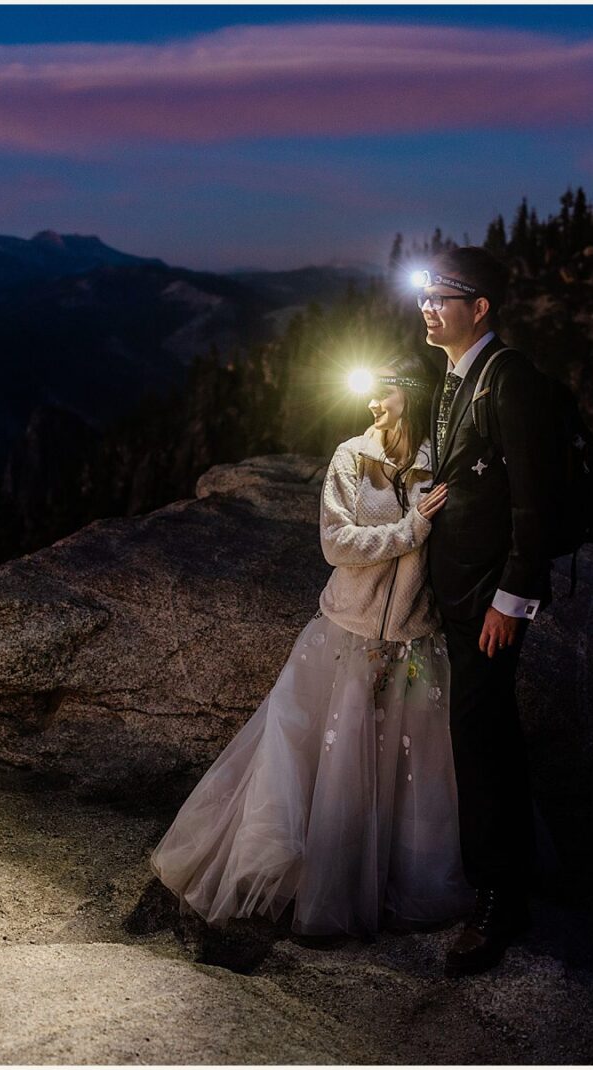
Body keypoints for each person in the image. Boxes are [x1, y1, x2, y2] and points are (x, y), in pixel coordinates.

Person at [149, 353, 474, 936]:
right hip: (344, 634)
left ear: (411, 396)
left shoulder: (438, 466)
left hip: (415, 639)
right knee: (312, 754)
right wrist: (410, 530)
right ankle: (305, 879)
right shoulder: (351, 456)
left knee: (401, 770)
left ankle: (376, 880)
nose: (372, 402)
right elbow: (336, 543)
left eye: (383, 392)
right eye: (369, 390)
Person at [417, 246, 558, 977]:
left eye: (445, 296)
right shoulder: (455, 377)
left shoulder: (509, 380)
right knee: (476, 732)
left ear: (481, 308)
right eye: (424, 295)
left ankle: (502, 899)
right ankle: (495, 881)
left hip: (488, 604)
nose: (429, 307)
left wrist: (513, 600)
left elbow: (537, 502)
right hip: (459, 592)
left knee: (485, 740)